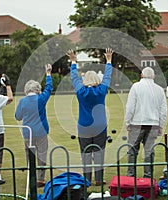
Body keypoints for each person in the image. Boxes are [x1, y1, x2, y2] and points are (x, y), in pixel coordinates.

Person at [66, 48, 113, 186]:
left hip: (84, 126)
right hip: (100, 125)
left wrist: (73, 61)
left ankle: (86, 180)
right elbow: (107, 77)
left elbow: (74, 77)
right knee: (99, 153)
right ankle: (99, 179)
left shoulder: (81, 91)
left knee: (85, 154)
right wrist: (109, 61)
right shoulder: (101, 90)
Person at [15, 64, 53, 188]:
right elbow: (49, 88)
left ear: (27, 90)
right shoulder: (41, 98)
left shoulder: (22, 101)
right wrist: (48, 74)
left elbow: (17, 117)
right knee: (42, 155)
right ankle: (40, 179)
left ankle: (31, 177)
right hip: (41, 131)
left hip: (28, 132)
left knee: (29, 155)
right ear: (37, 89)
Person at [125, 67, 167, 178]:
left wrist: (127, 122)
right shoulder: (159, 89)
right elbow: (163, 110)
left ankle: (131, 176)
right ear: (153, 76)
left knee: (132, 151)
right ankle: (148, 177)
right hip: (153, 124)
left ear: (141, 75)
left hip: (137, 123)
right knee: (149, 152)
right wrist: (161, 125)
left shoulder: (136, 87)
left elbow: (130, 106)